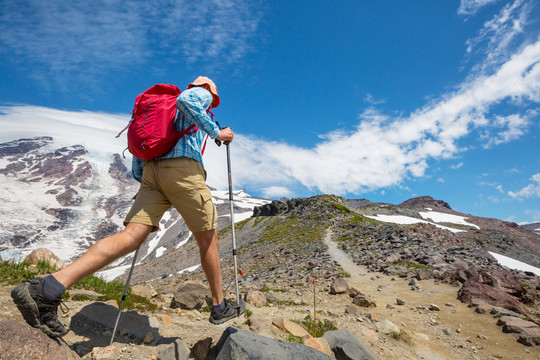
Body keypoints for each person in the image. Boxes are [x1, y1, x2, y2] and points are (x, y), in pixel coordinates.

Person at [11, 76, 245, 338]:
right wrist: (217, 132)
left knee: (130, 237)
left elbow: (138, 157)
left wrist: (154, 180)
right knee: (208, 239)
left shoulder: (158, 111)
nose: (213, 101)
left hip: (151, 174)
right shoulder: (198, 95)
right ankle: (219, 306)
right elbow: (187, 100)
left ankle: (48, 287)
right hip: (182, 171)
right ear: (209, 91)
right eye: (215, 97)